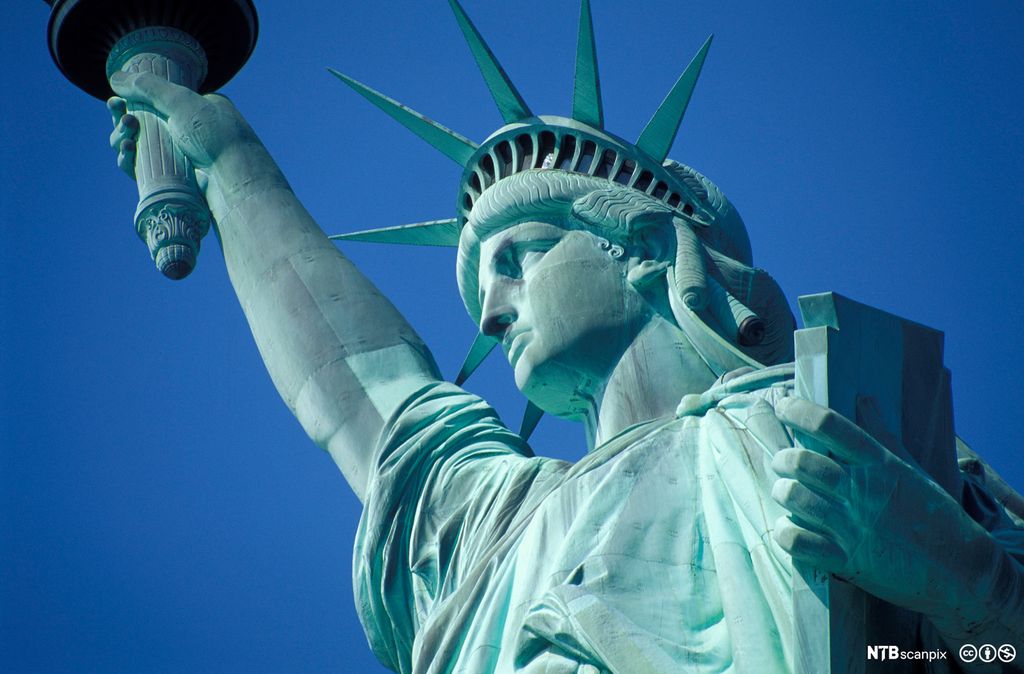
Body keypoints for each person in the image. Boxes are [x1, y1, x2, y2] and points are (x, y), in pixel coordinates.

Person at [104, 5, 1024, 671]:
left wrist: (953, 573)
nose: (489, 312)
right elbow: (365, 398)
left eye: (519, 257)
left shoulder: (843, 440)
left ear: (644, 247)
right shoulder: (505, 532)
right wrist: (228, 163)